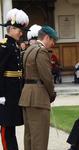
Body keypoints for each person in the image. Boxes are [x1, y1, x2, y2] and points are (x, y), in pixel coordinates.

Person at [19, 25, 58, 150]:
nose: (53, 44)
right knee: (39, 138)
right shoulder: (41, 51)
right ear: (46, 37)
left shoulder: (30, 49)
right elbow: (46, 77)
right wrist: (52, 94)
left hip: (27, 96)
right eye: (53, 40)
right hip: (38, 98)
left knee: (29, 137)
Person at [0, 8, 29, 150]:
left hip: (14, 92)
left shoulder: (14, 45)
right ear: (11, 28)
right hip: (6, 94)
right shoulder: (4, 45)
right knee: (6, 127)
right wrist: (1, 95)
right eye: (19, 29)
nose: (21, 33)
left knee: (11, 126)